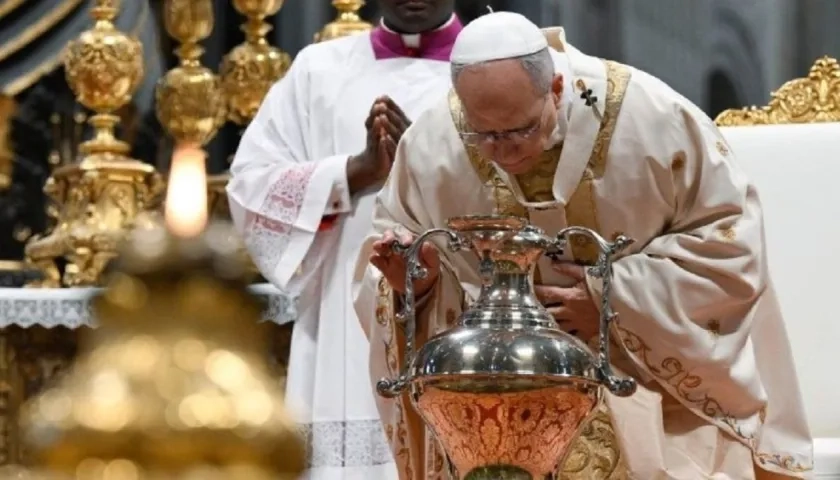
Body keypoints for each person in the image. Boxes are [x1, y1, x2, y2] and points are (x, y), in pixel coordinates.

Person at [353, 11, 813, 480]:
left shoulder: (653, 120)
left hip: (651, 389)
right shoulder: (433, 143)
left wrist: (614, 302)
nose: (503, 151)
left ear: (555, 89)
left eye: (518, 130)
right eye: (483, 134)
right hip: (499, 399)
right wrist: (419, 280)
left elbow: (729, 245)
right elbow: (390, 256)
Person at [226, 1, 461, 478]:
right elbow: (250, 187)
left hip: (459, 307)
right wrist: (355, 171)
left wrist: (427, 163)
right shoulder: (319, 70)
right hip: (342, 317)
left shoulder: (493, 67)